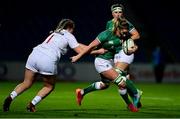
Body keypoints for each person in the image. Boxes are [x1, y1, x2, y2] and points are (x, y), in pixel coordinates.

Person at [3, 18, 85, 112]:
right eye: (73, 29)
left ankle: (10, 97)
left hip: (35, 54)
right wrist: (96, 51)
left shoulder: (55, 33)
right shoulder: (69, 35)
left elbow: (79, 45)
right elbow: (79, 50)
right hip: (48, 58)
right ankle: (32, 104)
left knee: (26, 82)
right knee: (49, 86)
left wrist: (93, 49)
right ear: (70, 28)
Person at [71, 18, 141, 112]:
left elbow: (132, 45)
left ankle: (81, 92)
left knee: (105, 85)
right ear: (117, 28)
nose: (124, 33)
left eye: (126, 31)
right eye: (122, 31)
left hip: (111, 61)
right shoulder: (106, 34)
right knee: (121, 82)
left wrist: (134, 48)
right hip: (102, 62)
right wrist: (78, 57)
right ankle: (130, 104)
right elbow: (90, 46)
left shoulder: (124, 35)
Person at [106, 3, 142, 108]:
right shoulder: (109, 23)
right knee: (124, 79)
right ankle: (135, 101)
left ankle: (136, 93)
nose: (118, 14)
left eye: (120, 12)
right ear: (112, 13)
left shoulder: (125, 23)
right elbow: (109, 38)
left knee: (117, 74)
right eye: (116, 12)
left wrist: (127, 42)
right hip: (116, 53)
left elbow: (137, 35)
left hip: (125, 52)